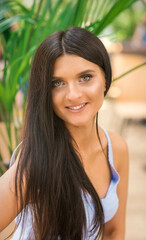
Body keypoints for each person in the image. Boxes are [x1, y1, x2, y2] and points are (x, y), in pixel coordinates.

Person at [0, 26, 129, 240]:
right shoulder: (35, 161)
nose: (73, 94)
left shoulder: (116, 149)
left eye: (85, 77)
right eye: (57, 83)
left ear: (105, 78)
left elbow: (114, 232)